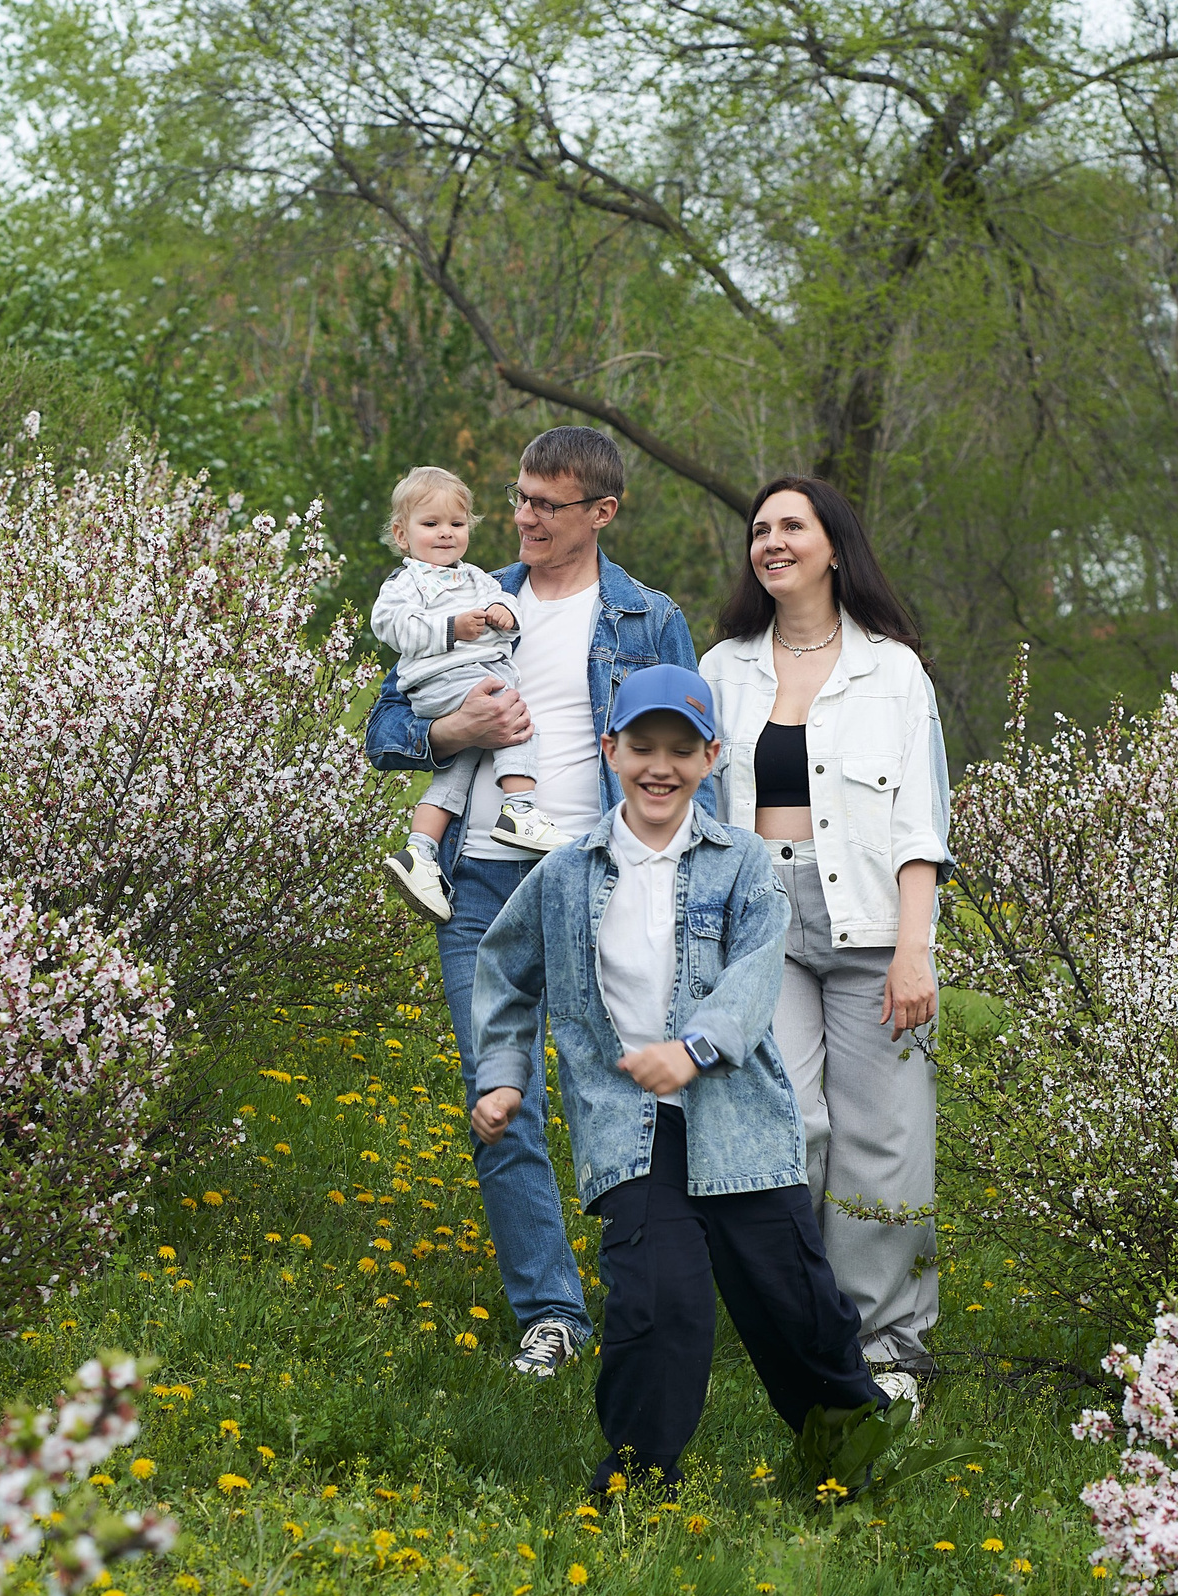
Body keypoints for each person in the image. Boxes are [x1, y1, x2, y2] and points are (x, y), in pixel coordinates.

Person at [468, 665, 888, 1495]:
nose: (660, 766)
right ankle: (633, 1479)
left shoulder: (743, 864)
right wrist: (504, 1075)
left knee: (796, 1305)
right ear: (609, 750)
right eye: (642, 747)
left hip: (737, 1118)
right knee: (658, 1306)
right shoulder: (563, 875)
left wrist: (693, 1047)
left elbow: (757, 973)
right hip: (630, 1126)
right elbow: (507, 972)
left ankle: (852, 1455)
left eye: (682, 750)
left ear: (712, 758)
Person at [364, 426, 704, 1379]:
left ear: (601, 512)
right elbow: (385, 728)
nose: (522, 518)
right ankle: (550, 1312)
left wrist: (682, 890)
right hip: (479, 881)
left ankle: (646, 1299)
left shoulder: (647, 618)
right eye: (517, 497)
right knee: (498, 1098)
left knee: (623, 1095)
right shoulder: (470, 596)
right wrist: (451, 727)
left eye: (546, 505)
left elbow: (691, 762)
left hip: (599, 878)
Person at [697, 475, 950, 1392]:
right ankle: (798, 1324)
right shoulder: (722, 667)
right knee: (786, 1127)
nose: (770, 541)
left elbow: (922, 821)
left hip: (875, 924)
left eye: (791, 526)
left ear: (833, 546)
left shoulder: (893, 667)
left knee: (885, 1140)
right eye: (759, 529)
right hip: (760, 914)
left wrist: (914, 948)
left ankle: (888, 1350)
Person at [368, 466, 570, 923]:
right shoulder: (406, 584)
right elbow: (389, 625)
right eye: (431, 524)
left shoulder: (476, 578)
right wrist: (451, 628)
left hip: (468, 676)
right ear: (402, 535)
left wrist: (503, 609)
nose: (445, 534)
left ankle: (419, 851)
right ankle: (520, 808)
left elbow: (508, 600)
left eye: (456, 525)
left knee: (461, 763)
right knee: (513, 721)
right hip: (442, 679)